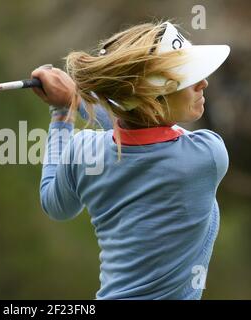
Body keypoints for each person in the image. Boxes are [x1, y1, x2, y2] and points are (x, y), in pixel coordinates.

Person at [31, 21, 230, 299]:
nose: (203, 82)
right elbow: (153, 129)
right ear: (152, 99)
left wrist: (64, 110)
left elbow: (56, 206)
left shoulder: (84, 150)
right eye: (188, 78)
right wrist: (78, 99)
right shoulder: (208, 154)